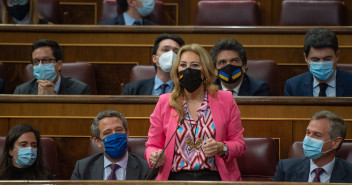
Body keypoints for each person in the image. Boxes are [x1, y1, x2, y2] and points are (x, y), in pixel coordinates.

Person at [145, 44, 246, 181]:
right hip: (175, 178)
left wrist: (221, 147)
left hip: (215, 177)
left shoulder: (226, 99)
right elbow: (152, 145)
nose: (188, 70)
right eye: (183, 65)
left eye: (194, 65)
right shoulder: (165, 102)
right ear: (176, 70)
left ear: (205, 69)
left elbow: (239, 144)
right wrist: (155, 155)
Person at [274, 110, 352, 183]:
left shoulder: (349, 173)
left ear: (335, 142)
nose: (309, 138)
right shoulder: (285, 168)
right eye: (308, 133)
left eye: (317, 135)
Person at [71, 110, 151, 180]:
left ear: (127, 134)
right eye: (107, 133)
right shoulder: (82, 168)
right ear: (98, 142)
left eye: (119, 130)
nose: (115, 136)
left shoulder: (147, 169)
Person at [284, 28, 352, 97]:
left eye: (327, 59)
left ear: (337, 56)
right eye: (315, 60)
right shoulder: (293, 86)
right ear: (305, 58)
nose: (321, 64)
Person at [14, 39, 91, 95]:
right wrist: (38, 100)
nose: (40, 65)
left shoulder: (80, 90)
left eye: (46, 60)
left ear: (59, 65)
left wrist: (53, 100)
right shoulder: (21, 91)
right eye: (36, 61)